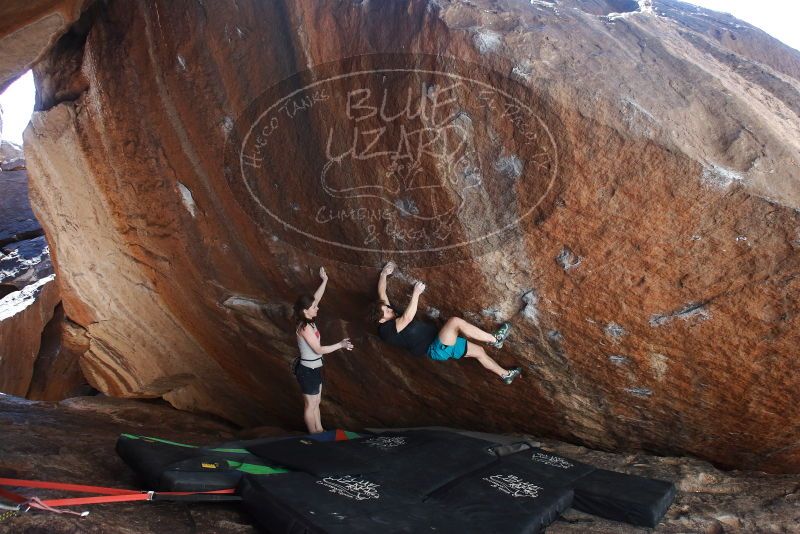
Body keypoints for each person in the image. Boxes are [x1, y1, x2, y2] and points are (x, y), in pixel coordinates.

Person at [370, 261, 521, 384]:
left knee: (480, 353)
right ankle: (495, 339)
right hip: (436, 348)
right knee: (455, 322)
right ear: (382, 320)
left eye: (388, 308)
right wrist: (416, 294)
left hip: (440, 340)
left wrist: (384, 273)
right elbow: (407, 318)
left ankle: (506, 375)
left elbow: (382, 294)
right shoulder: (386, 331)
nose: (391, 310)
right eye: (387, 312)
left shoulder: (385, 313)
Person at [293, 267, 353, 434]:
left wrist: (325, 280)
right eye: (313, 307)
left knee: (316, 401)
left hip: (315, 368)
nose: (317, 308)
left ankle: (320, 430)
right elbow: (318, 349)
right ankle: (313, 434)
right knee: (310, 404)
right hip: (307, 370)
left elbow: (316, 299)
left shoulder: (309, 318)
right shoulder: (304, 327)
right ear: (305, 311)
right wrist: (340, 345)